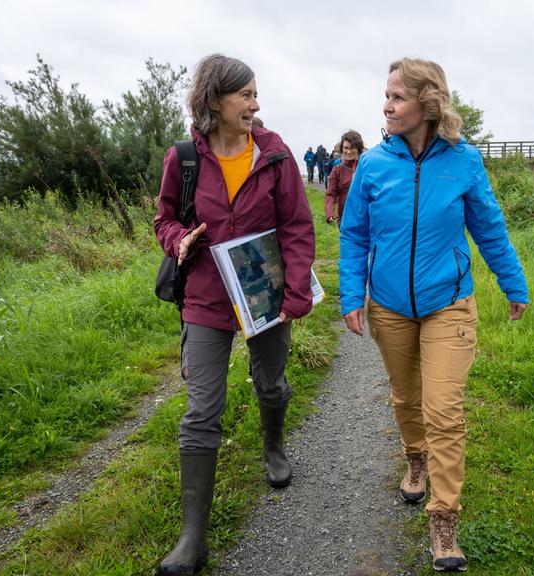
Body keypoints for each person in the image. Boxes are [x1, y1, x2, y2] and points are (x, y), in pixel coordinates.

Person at [338, 58, 528, 572]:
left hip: (450, 303)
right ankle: (414, 457)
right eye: (386, 96)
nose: (387, 105)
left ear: (428, 101)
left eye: (397, 96)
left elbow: (489, 227)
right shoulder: (375, 164)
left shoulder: (464, 161)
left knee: (445, 410)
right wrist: (351, 295)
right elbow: (354, 234)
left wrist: (513, 282)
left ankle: (444, 519)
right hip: (391, 308)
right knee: (406, 396)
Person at [154, 53, 315, 576]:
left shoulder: (276, 155)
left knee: (269, 384)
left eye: (254, 94)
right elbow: (162, 220)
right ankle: (192, 540)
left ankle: (274, 444)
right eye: (244, 94)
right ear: (213, 101)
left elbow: (296, 226)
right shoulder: (183, 160)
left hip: (265, 293)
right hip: (204, 297)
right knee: (202, 411)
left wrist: (294, 292)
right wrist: (179, 238)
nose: (255, 103)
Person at [325, 130, 364, 225]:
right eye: (346, 148)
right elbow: (330, 194)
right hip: (344, 218)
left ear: (359, 149)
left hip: (365, 218)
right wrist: (330, 212)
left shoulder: (365, 167)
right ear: (341, 148)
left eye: (353, 148)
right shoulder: (337, 170)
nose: (349, 151)